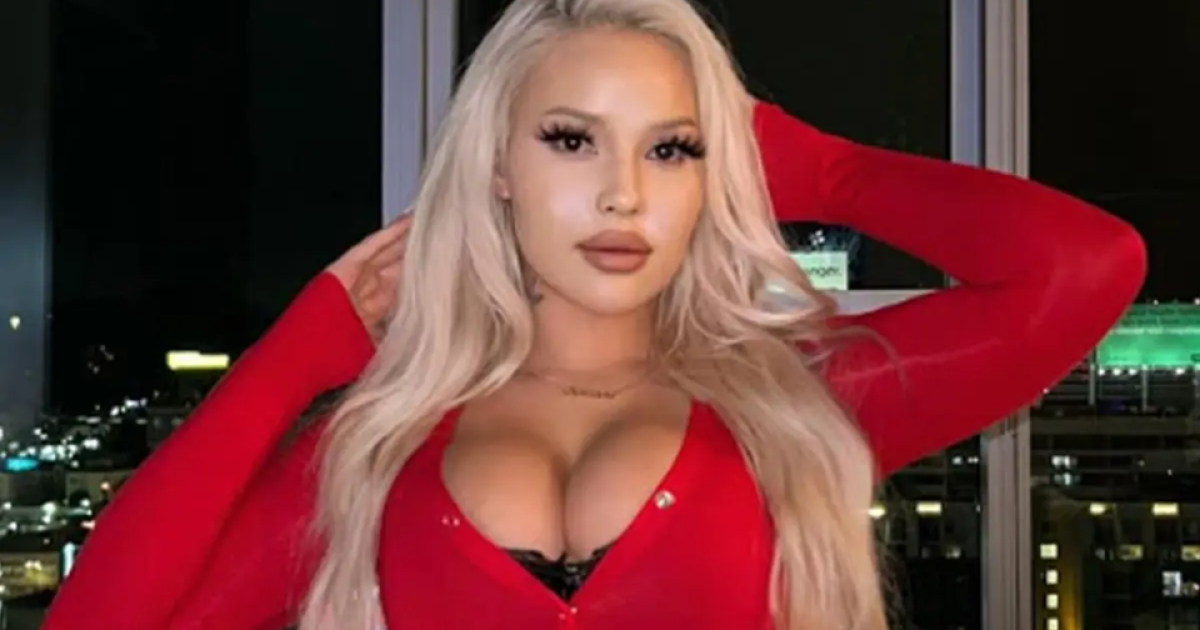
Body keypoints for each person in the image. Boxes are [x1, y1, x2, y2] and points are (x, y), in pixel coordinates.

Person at [43, 0, 1146, 629]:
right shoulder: (376, 447)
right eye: (572, 140)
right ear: (498, 167)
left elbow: (1087, 267)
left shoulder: (791, 405)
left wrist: (814, 167)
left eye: (671, 149)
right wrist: (295, 356)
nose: (624, 194)